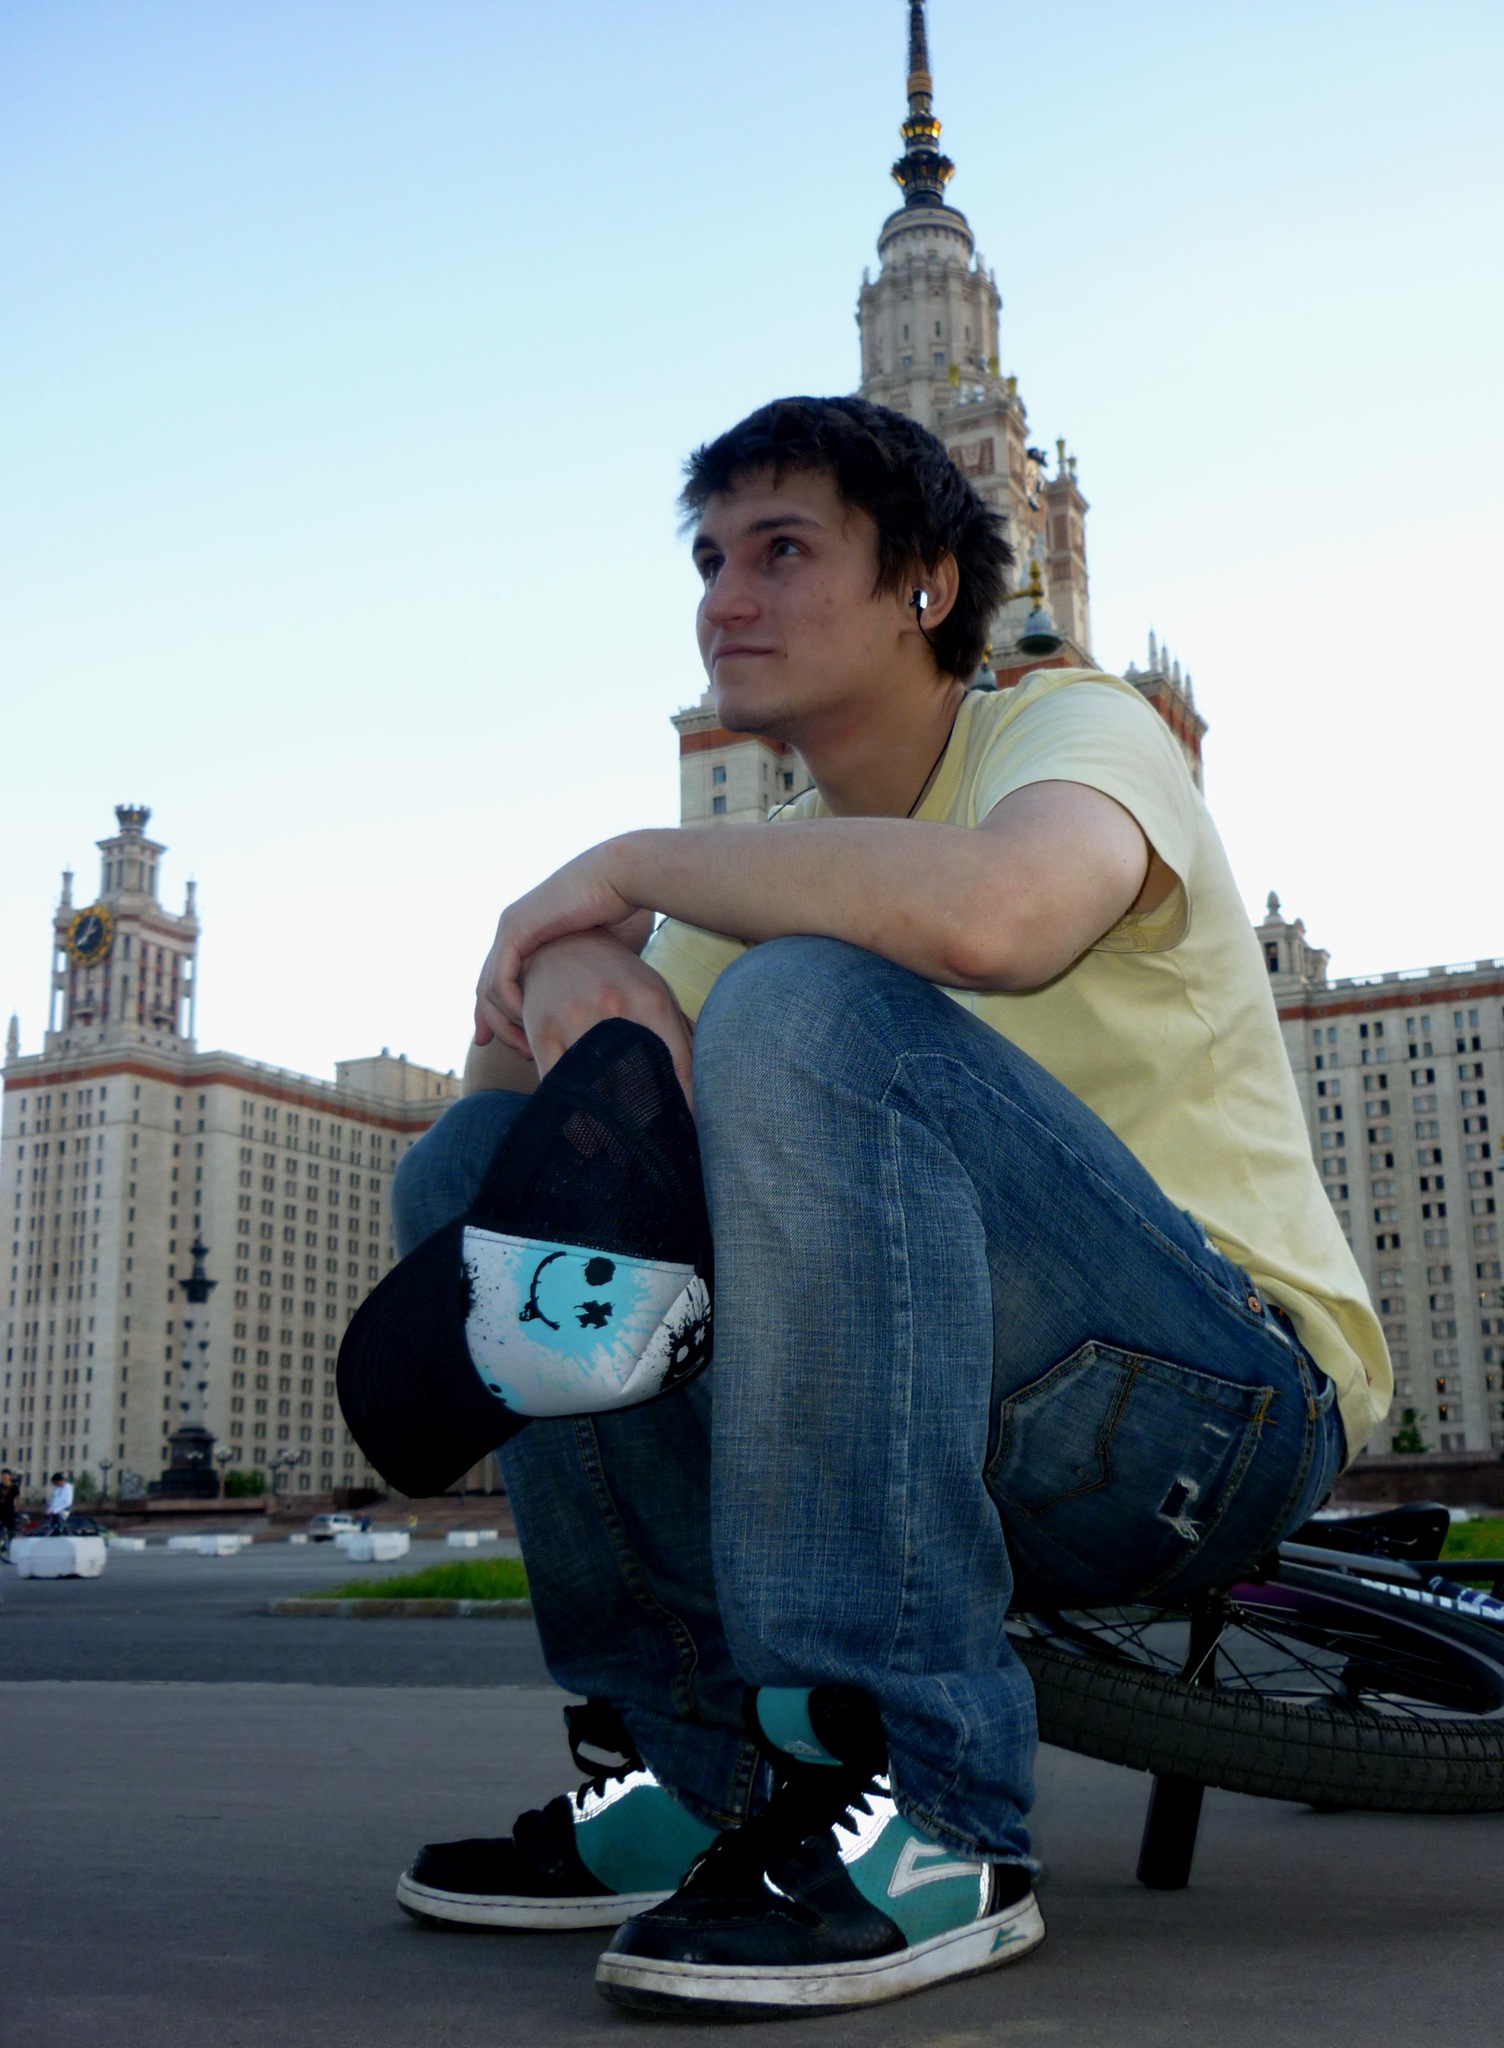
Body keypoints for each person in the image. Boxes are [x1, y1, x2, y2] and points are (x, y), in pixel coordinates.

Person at [387, 396, 1387, 2017]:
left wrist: (627, 866)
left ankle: (932, 1813)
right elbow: (501, 1121)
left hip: (1203, 1405)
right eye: (709, 561)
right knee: (471, 1169)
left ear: (925, 584)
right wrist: (556, 964)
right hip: (914, 1420)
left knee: (804, 1004)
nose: (726, 599)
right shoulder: (764, 866)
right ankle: (694, 1776)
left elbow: (998, 915)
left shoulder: (1069, 729)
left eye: (783, 551)